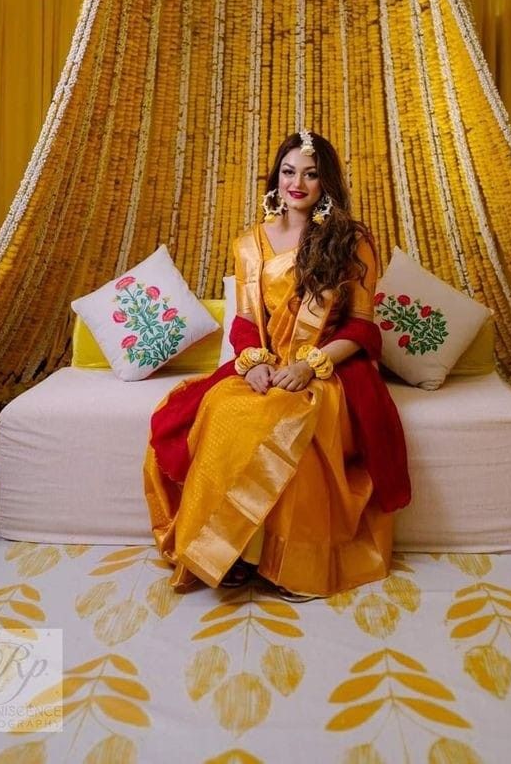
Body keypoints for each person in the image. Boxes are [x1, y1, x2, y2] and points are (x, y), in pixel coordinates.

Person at [144, 131, 411, 597]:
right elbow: (247, 319)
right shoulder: (250, 243)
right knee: (224, 411)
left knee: (293, 420)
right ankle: (231, 552)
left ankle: (292, 564)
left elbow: (364, 328)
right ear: (276, 178)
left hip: (331, 369)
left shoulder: (351, 240)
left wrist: (309, 366)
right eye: (289, 172)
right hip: (268, 364)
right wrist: (252, 365)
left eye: (310, 174)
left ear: (325, 183)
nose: (298, 182)